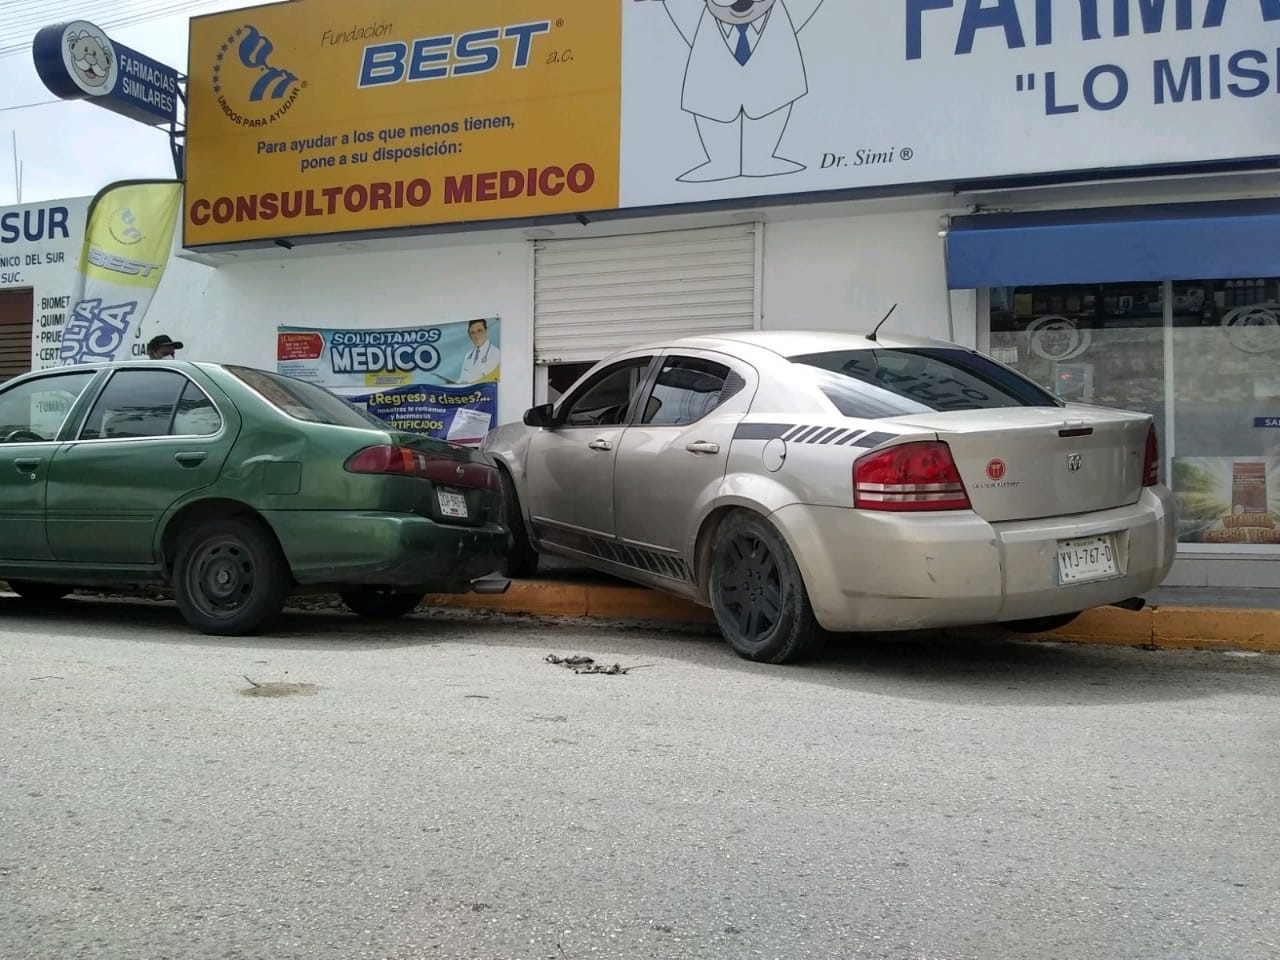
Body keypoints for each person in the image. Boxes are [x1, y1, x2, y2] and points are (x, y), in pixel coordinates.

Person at [457, 318, 500, 383]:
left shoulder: (497, 354)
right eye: (472, 333)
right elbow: (462, 379)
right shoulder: (468, 356)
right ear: (469, 335)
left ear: (486, 331)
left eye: (479, 331)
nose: (476, 336)